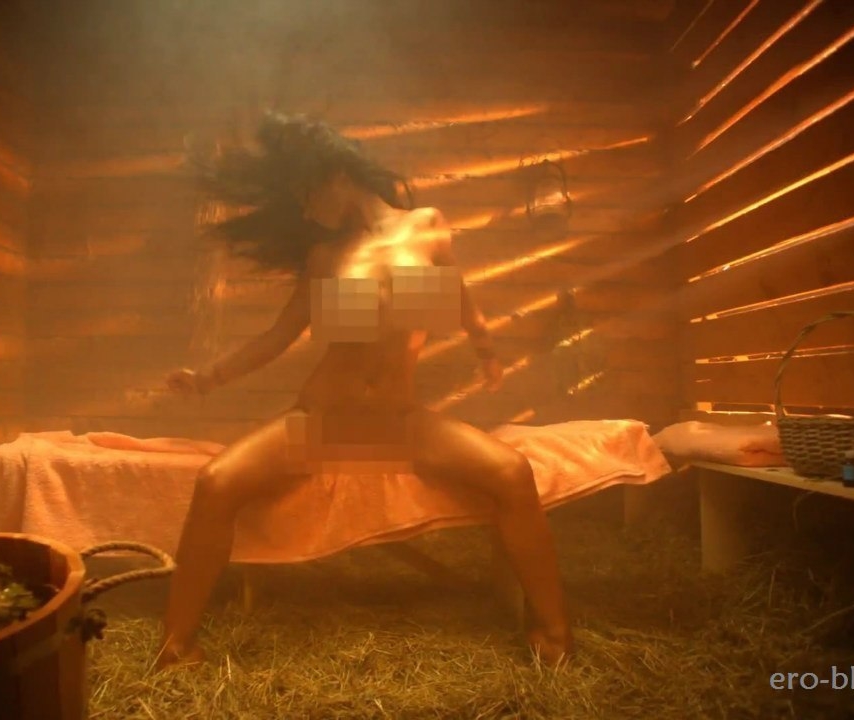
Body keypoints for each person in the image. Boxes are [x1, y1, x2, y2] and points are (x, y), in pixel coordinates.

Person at [156, 111, 572, 669]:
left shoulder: (427, 225)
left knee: (514, 473)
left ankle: (555, 635)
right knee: (216, 482)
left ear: (337, 175)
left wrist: (486, 351)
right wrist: (207, 378)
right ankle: (176, 646)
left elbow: (457, 293)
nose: (305, 212)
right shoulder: (325, 257)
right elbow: (278, 336)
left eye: (306, 195)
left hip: (398, 424)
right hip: (326, 421)